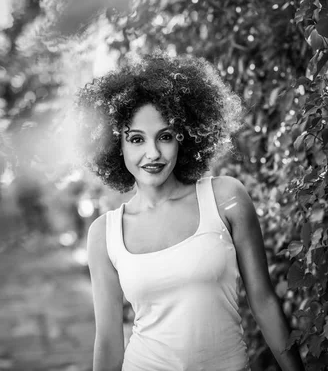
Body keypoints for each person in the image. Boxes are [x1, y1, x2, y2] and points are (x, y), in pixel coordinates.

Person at [74, 52, 305, 371]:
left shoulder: (225, 198)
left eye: (165, 137)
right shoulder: (104, 233)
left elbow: (264, 303)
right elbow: (109, 341)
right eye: (137, 139)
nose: (152, 153)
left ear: (185, 137)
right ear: (117, 146)